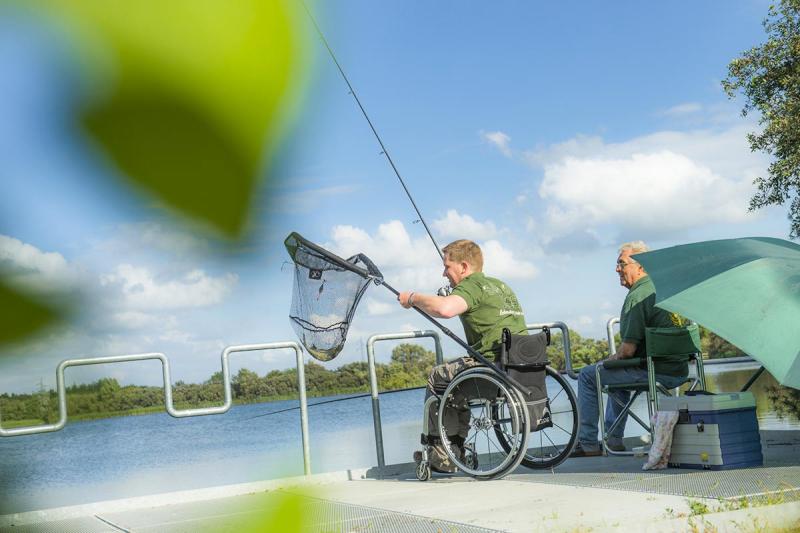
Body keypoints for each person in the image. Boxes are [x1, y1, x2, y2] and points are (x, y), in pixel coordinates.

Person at [397, 239, 527, 472]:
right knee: (455, 382)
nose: (443, 272)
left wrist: (413, 298)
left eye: (447, 266)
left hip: (492, 369)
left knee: (438, 378)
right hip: (521, 367)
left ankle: (442, 455)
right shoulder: (500, 285)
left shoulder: (472, 286)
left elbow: (444, 309)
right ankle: (453, 450)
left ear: (464, 267)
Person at [571, 241, 688, 457]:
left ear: (641, 266)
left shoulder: (637, 296)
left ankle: (587, 444)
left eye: (621, 263)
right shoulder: (663, 290)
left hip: (655, 371)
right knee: (617, 380)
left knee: (589, 375)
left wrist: (602, 363)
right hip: (678, 370)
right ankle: (614, 440)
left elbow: (626, 352)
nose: (617, 269)